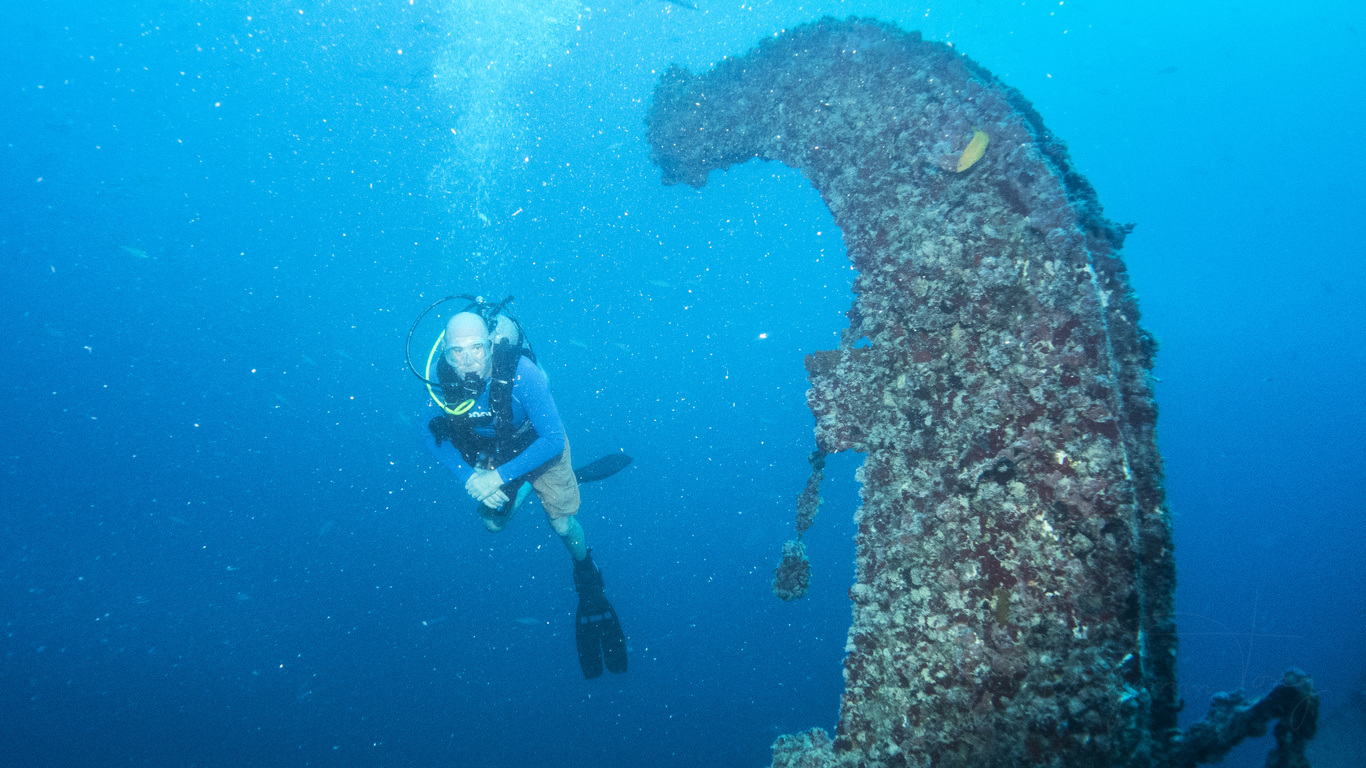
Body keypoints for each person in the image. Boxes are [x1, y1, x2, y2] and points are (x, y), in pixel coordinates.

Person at [423, 303, 627, 679]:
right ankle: (530, 485)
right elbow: (431, 433)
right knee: (492, 525)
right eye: (457, 351)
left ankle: (586, 571)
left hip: (539, 446)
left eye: (477, 348)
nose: (468, 361)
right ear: (446, 354)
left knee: (562, 524)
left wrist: (496, 478)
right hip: (494, 452)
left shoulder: (522, 374)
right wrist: (470, 477)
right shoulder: (442, 382)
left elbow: (552, 438)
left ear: (490, 345)